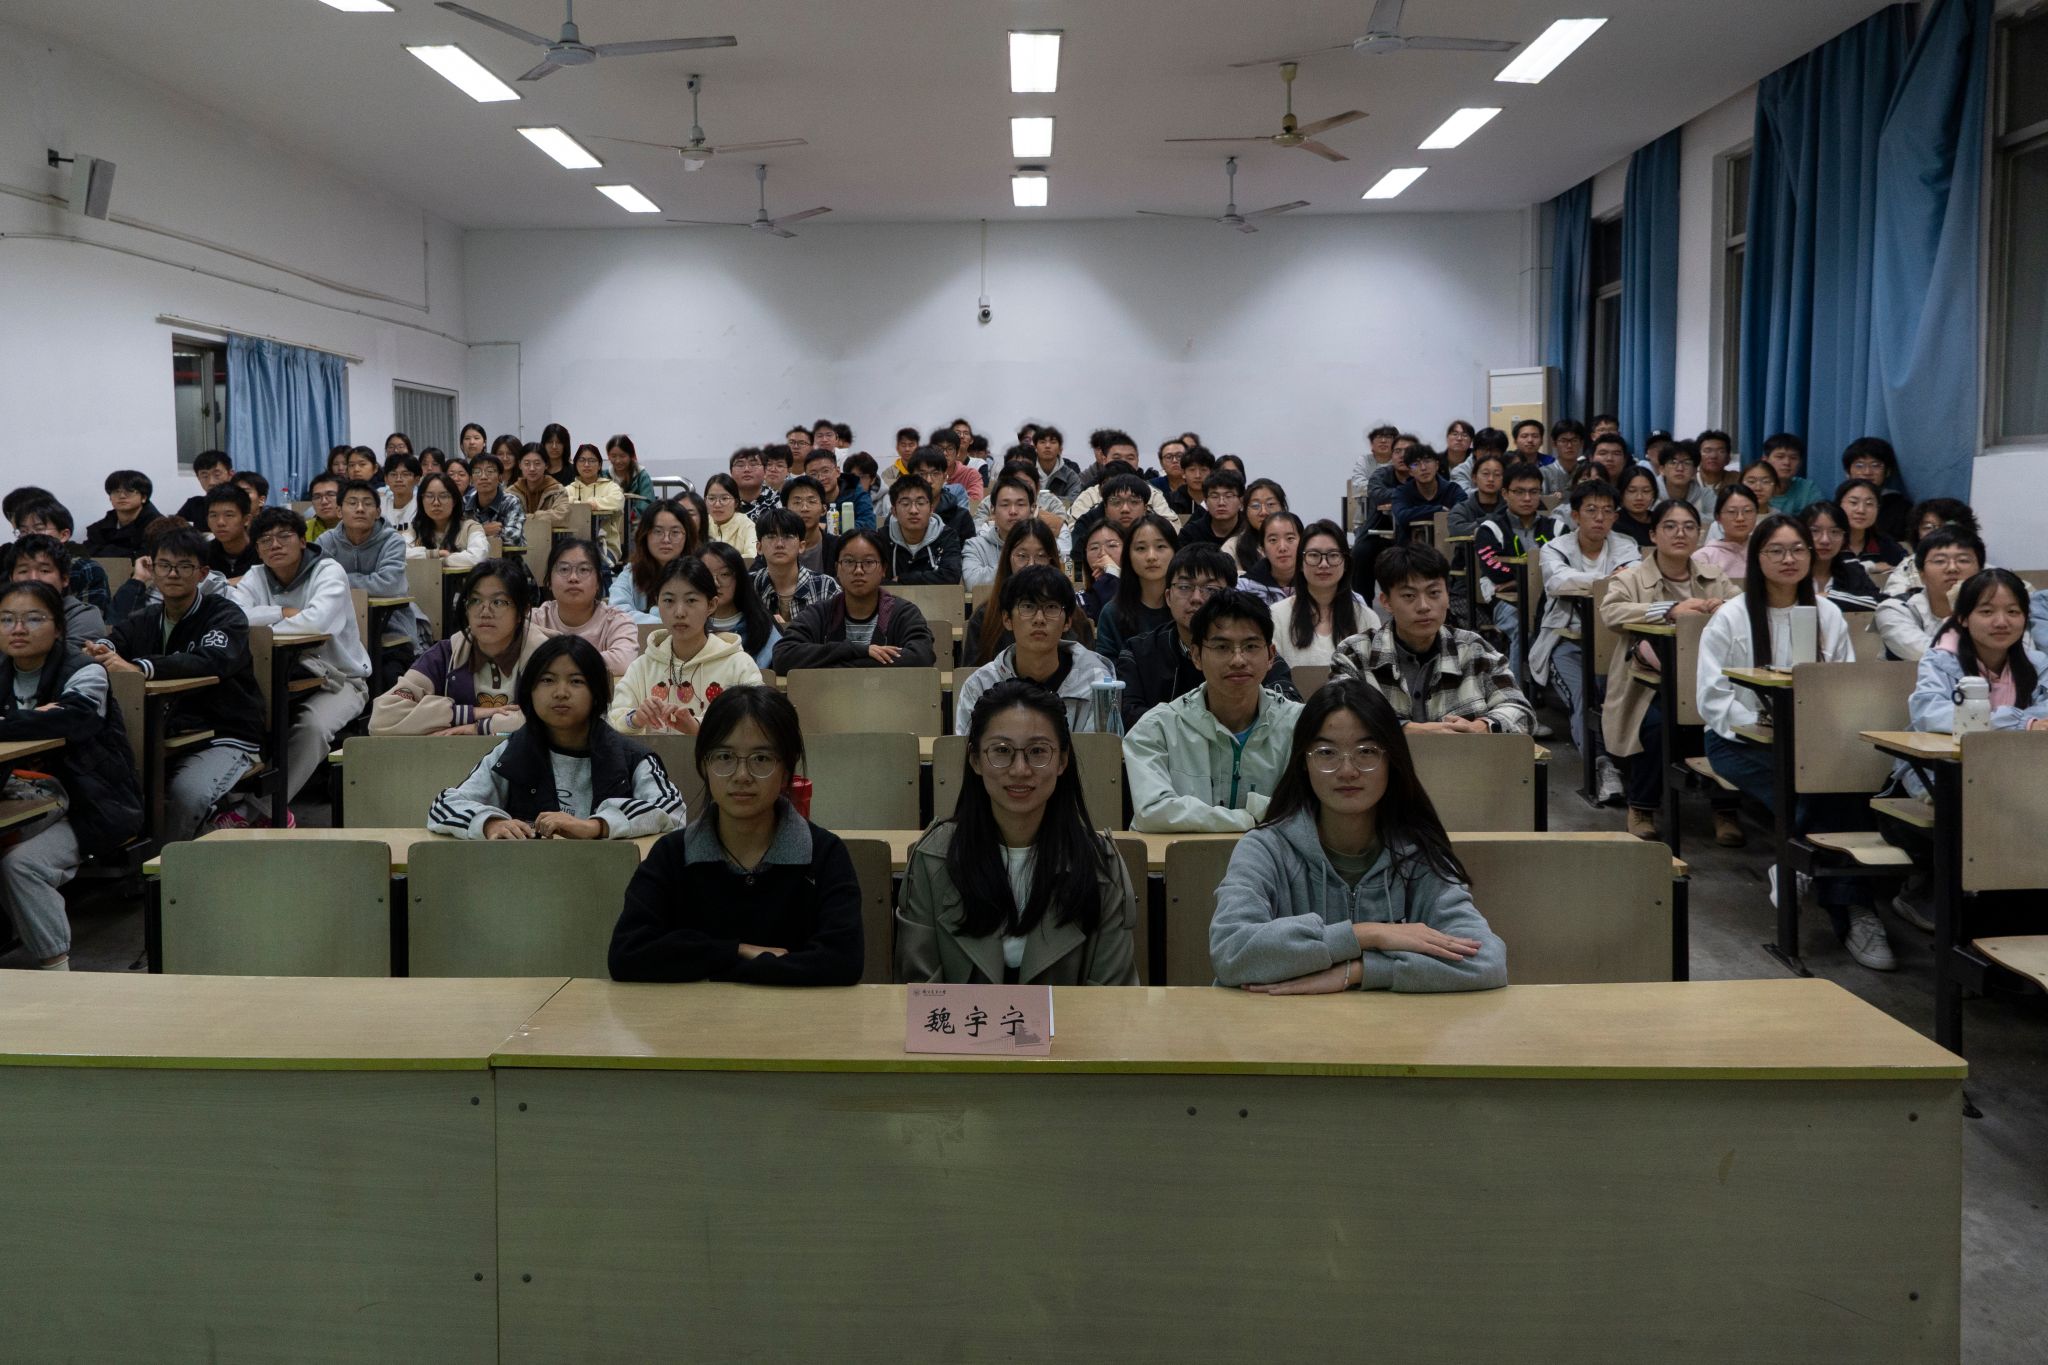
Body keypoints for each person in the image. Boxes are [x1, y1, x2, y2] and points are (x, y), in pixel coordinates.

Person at [1207, 680, 1507, 993]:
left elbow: (1486, 962)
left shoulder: (1419, 852)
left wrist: (1360, 970)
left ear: (1392, 760)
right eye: (1326, 752)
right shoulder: (1266, 848)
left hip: (1389, 1024)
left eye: (1367, 752)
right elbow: (1230, 951)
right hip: (1279, 1021)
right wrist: (1364, 934)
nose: (1347, 770)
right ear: (1304, 763)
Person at [1697, 515, 1886, 968]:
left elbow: (1841, 686)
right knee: (1817, 790)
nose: (1789, 559)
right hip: (1738, 741)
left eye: (1798, 549)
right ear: (1757, 558)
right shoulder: (1731, 616)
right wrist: (1762, 726)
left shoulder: (1827, 613)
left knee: (1845, 785)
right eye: (1776, 551)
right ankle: (1850, 905)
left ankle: (1797, 864)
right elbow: (1712, 698)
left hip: (1813, 744)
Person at [608, 685, 862, 985]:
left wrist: (714, 966)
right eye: (724, 756)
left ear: (786, 769)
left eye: (761, 759)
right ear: (704, 764)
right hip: (694, 1016)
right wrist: (736, 951)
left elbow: (842, 961)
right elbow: (628, 954)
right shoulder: (672, 854)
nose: (742, 775)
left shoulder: (824, 854)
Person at [897, 679, 1138, 986]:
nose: (1020, 769)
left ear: (1062, 760)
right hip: (961, 1021)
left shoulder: (1101, 864)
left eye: (1038, 751)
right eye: (1002, 751)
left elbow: (1113, 998)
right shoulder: (933, 859)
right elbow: (920, 994)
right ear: (975, 760)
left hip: (1074, 1021)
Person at [85, 527, 267, 839]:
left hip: (224, 733)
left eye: (184, 566)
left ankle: (169, 860)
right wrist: (102, 651)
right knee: (107, 780)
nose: (172, 574)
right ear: (153, 569)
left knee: (187, 793)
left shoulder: (224, 614)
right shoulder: (147, 617)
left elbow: (211, 660)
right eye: (164, 565)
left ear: (202, 573)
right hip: (164, 733)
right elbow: (118, 640)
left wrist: (140, 668)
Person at [0, 581, 143, 969]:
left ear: (59, 628)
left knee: (21, 865)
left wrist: (12, 721)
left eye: (33, 619)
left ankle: (58, 972)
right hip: (17, 796)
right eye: (7, 619)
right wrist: (34, 718)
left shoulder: (86, 671)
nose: (18, 629)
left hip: (90, 803)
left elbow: (73, 721)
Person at [429, 635, 684, 841]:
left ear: (596, 693)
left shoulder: (631, 757)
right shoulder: (512, 752)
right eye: (547, 680)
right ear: (530, 692)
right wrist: (489, 823)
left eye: (576, 681)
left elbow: (672, 809)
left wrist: (597, 826)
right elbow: (444, 805)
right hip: (530, 878)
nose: (561, 692)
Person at [1597, 499, 1741, 843]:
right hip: (1647, 684)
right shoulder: (1631, 577)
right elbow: (1611, 613)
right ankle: (1641, 806)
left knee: (1726, 722)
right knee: (1656, 726)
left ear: (1699, 534)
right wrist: (1669, 609)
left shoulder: (1713, 576)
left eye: (1689, 527)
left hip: (1707, 680)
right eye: (1670, 526)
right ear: (1653, 534)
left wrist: (1725, 607)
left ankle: (1725, 809)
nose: (1680, 533)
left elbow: (1743, 607)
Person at [227, 506, 372, 813]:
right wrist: (280, 612)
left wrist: (262, 628)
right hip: (273, 678)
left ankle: (263, 811)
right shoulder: (256, 576)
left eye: (284, 536)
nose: (275, 545)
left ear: (303, 541)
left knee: (312, 726)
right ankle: (230, 800)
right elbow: (233, 619)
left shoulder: (328, 571)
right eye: (265, 540)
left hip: (340, 680)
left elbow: (315, 624)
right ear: (257, 549)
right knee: (235, 716)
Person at [1125, 590, 1307, 833]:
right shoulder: (1157, 729)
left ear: (1271, 656)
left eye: (1251, 646)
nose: (1238, 660)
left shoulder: (1301, 725)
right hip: (1182, 859)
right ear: (1196, 656)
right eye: (1222, 647)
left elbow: (1311, 811)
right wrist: (1251, 818)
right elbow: (1153, 812)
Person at [1332, 543, 1533, 734]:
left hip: (1461, 759)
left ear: (1447, 595)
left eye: (1434, 593)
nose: (1424, 606)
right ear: (1386, 602)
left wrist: (1483, 727)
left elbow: (1521, 711)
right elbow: (1336, 717)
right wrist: (1406, 730)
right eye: (1409, 596)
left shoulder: (1474, 649)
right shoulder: (1355, 654)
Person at [1115, 544, 1298, 729]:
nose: (1196, 598)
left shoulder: (1254, 652)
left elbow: (1287, 707)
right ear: (1168, 597)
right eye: (1185, 587)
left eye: (1210, 589)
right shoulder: (1138, 652)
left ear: (1231, 595)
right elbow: (1126, 716)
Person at [1533, 481, 1639, 792]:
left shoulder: (1626, 545)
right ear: (1576, 515)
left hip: (1617, 642)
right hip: (1567, 640)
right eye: (1591, 510)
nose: (1600, 518)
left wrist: (1588, 581)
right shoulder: (1555, 548)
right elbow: (1558, 583)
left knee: (1628, 694)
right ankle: (1601, 766)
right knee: (1584, 695)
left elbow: (1635, 580)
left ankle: (1631, 762)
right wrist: (1608, 579)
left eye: (1607, 511)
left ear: (1616, 517)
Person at [371, 559, 545, 736]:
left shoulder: (545, 655)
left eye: (498, 602)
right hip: (457, 753)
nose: (485, 612)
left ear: (523, 611)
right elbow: (382, 717)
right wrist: (465, 714)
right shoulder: (446, 654)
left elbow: (555, 719)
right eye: (475, 600)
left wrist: (478, 728)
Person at [953, 567, 1117, 733]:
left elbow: (1099, 748)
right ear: (1007, 619)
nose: (1039, 619)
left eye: (1051, 607)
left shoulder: (1096, 683)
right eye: (1028, 606)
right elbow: (968, 748)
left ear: (1067, 621)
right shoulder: (980, 686)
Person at [611, 557, 763, 735]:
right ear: (657, 602)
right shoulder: (642, 667)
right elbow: (614, 720)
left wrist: (699, 728)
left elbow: (759, 719)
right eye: (669, 600)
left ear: (711, 605)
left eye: (691, 600)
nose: (679, 612)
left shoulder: (739, 665)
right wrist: (635, 719)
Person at [771, 530, 936, 671]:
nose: (858, 570)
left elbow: (922, 657)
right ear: (837, 568)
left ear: (883, 569)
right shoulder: (819, 613)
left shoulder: (904, 613)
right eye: (849, 562)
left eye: (868, 562)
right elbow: (783, 656)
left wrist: (833, 663)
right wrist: (857, 650)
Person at [318, 478, 427, 664]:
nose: (360, 509)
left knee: (391, 671)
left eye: (367, 504)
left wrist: (338, 581)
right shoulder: (326, 541)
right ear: (339, 511)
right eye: (352, 503)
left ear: (377, 512)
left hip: (390, 627)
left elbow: (389, 585)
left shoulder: (392, 541)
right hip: (338, 628)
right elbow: (315, 582)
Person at [1270, 521, 1375, 670]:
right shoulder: (1277, 615)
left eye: (1333, 555)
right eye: (1314, 555)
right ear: (1300, 563)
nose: (1324, 564)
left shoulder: (1366, 618)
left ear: (1345, 563)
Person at [531, 537, 638, 676]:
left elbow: (623, 662)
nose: (573, 578)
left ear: (598, 581)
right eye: (564, 569)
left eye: (583, 569)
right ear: (549, 581)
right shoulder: (534, 620)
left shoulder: (617, 621)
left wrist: (556, 660)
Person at [1875, 528, 1983, 663]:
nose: (1952, 568)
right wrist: (1958, 610)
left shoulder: (1995, 610)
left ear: (1980, 571)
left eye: (1963, 560)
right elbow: (1927, 653)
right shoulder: (1895, 609)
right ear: (1922, 574)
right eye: (1939, 561)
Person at [1092, 514, 1178, 663]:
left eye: (1160, 546)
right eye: (1141, 548)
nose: (1151, 556)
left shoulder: (1187, 607)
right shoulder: (1112, 613)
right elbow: (1107, 670)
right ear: (1128, 556)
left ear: (1176, 552)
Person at [7, 535, 107, 647]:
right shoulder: (4, 613)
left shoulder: (83, 616)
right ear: (11, 579)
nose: (33, 578)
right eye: (23, 571)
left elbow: (72, 656)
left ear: (64, 579)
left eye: (44, 570)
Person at [609, 498, 698, 624]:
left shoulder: (697, 573)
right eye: (658, 531)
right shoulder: (631, 573)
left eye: (675, 532)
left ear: (687, 536)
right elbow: (616, 613)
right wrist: (665, 621)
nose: (666, 539)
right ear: (645, 535)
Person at [699, 542, 781, 670]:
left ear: (740, 579)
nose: (715, 583)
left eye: (724, 574)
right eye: (706, 575)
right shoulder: (687, 626)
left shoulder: (764, 628)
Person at [754, 507, 842, 626]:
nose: (779, 544)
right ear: (759, 547)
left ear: (801, 546)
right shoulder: (749, 586)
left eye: (788, 536)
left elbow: (838, 634)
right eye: (771, 536)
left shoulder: (826, 586)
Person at [1799, 501, 1881, 611]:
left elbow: (1880, 603)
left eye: (1834, 532)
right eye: (1815, 531)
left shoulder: (1852, 572)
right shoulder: (1791, 571)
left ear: (1844, 538)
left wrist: (1830, 597)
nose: (1825, 540)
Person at [882, 474, 963, 584]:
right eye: (905, 504)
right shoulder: (883, 539)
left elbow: (952, 576)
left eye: (920, 503)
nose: (913, 510)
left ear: (931, 509)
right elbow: (874, 581)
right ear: (894, 511)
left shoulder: (947, 537)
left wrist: (903, 579)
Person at [965, 473, 1038, 592]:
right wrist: (1016, 563)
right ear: (992, 510)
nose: (1013, 511)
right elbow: (972, 583)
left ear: (1032, 509)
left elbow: (1066, 572)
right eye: (1005, 505)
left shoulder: (1045, 542)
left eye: (1020, 504)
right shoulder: (975, 546)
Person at [402, 473, 488, 568]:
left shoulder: (470, 527)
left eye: (443, 496)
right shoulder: (415, 529)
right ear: (421, 501)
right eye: (429, 496)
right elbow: (398, 553)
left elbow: (478, 557)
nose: (436, 503)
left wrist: (444, 560)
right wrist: (434, 554)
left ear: (454, 501)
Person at [1841, 436, 1915, 544]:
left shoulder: (1902, 508)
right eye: (1859, 465)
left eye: (1875, 465)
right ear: (1847, 472)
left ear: (1888, 471)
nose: (1867, 472)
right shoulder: (1838, 506)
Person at [1390, 445, 1465, 542]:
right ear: (1410, 471)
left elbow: (1463, 514)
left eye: (1427, 461)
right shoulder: (1401, 492)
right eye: (1415, 464)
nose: (1423, 468)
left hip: (1448, 545)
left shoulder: (1453, 490)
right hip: (1410, 547)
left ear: (1437, 465)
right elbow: (1402, 516)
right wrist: (1439, 510)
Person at [82, 470, 161, 559]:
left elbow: (147, 556)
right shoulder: (100, 527)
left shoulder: (159, 527)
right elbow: (87, 550)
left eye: (129, 491)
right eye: (116, 491)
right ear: (110, 497)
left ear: (144, 497)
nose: (122, 496)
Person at [1834, 478, 1905, 576]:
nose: (1861, 510)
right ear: (1838, 505)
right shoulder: (1828, 540)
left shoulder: (1883, 543)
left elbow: (1909, 567)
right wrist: (1871, 567)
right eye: (1853, 503)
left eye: (1869, 504)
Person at [774, 475, 841, 578]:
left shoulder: (838, 546)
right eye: (797, 502)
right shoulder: (776, 546)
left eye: (811, 501)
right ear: (785, 510)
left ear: (824, 509)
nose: (804, 508)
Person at [1693, 483, 1761, 580]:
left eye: (1748, 511)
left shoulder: (1765, 552)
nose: (1740, 518)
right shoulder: (1704, 557)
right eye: (1732, 512)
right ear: (1718, 517)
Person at [1235, 511, 1303, 606]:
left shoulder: (1316, 583)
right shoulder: (1243, 588)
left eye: (1290, 538)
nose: (1282, 547)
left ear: (1303, 543)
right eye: (1273, 540)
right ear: (1263, 548)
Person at [606, 434, 656, 550]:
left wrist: (629, 516)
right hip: (609, 523)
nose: (618, 461)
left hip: (635, 524)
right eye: (613, 456)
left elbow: (647, 503)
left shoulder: (641, 475)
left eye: (622, 456)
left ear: (631, 455)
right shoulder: (604, 475)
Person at [464, 453, 525, 548]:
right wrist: (482, 530)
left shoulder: (511, 502)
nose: (483, 477)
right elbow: (455, 536)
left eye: (490, 471)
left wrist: (472, 534)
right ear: (471, 479)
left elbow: (513, 537)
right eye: (477, 472)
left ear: (500, 477)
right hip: (471, 557)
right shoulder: (464, 502)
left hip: (507, 557)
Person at [200, 484, 259, 581]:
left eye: (229, 515)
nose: (220, 522)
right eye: (213, 515)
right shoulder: (203, 554)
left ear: (247, 520)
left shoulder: (261, 551)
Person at [805, 448, 873, 532]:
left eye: (825, 471)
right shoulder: (803, 498)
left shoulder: (856, 492)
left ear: (837, 471)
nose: (821, 478)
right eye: (813, 474)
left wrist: (827, 527)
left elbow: (869, 526)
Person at [1182, 468, 1248, 550]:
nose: (1221, 503)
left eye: (1228, 496)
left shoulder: (1250, 532)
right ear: (1205, 502)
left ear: (1241, 501)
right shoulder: (1190, 534)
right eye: (1214, 496)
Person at [1652, 439, 1717, 521]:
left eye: (1687, 463)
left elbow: (1718, 521)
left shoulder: (1706, 495)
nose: (1680, 468)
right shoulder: (1650, 493)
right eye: (1673, 462)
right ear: (1662, 469)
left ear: (1694, 471)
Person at [1760, 433, 1822, 515]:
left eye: (1793, 458)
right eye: (1780, 457)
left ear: (1800, 463)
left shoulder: (1807, 488)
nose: (1787, 462)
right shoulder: (1755, 488)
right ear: (1765, 460)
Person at [702, 473, 759, 560]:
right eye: (711, 498)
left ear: (736, 502)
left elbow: (752, 557)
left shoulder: (747, 525)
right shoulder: (702, 524)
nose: (717, 504)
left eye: (724, 499)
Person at [172, 449, 234, 524]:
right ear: (198, 478)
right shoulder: (194, 505)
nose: (211, 482)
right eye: (205, 476)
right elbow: (173, 527)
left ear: (230, 474)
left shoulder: (240, 503)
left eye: (217, 475)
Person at [1031, 425, 1084, 502]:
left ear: (1060, 449)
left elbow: (1074, 502)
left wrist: (1051, 500)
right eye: (1042, 442)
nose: (1047, 446)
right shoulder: (1026, 473)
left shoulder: (1070, 476)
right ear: (1035, 448)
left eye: (1053, 442)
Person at [1612, 466, 1661, 549]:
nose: (1639, 497)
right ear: (1621, 493)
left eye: (1646, 491)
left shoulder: (1660, 520)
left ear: (1654, 493)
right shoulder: (1614, 522)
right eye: (1632, 491)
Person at [726, 447, 777, 519]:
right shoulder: (723, 502)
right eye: (740, 465)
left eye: (753, 464)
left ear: (765, 471)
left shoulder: (778, 501)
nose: (747, 469)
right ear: (731, 472)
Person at [378, 453, 422, 529]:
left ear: (416, 479)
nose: (398, 479)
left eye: (405, 474)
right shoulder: (380, 505)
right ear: (386, 479)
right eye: (393, 474)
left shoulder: (422, 505)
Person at [1695, 429, 1739, 497]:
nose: (1713, 456)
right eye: (1707, 451)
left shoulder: (1738, 480)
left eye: (1720, 451)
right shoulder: (1688, 481)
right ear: (1697, 456)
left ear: (1728, 458)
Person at [304, 473, 345, 542]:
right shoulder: (303, 529)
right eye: (317, 497)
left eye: (331, 494)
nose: (324, 502)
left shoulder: (357, 528)